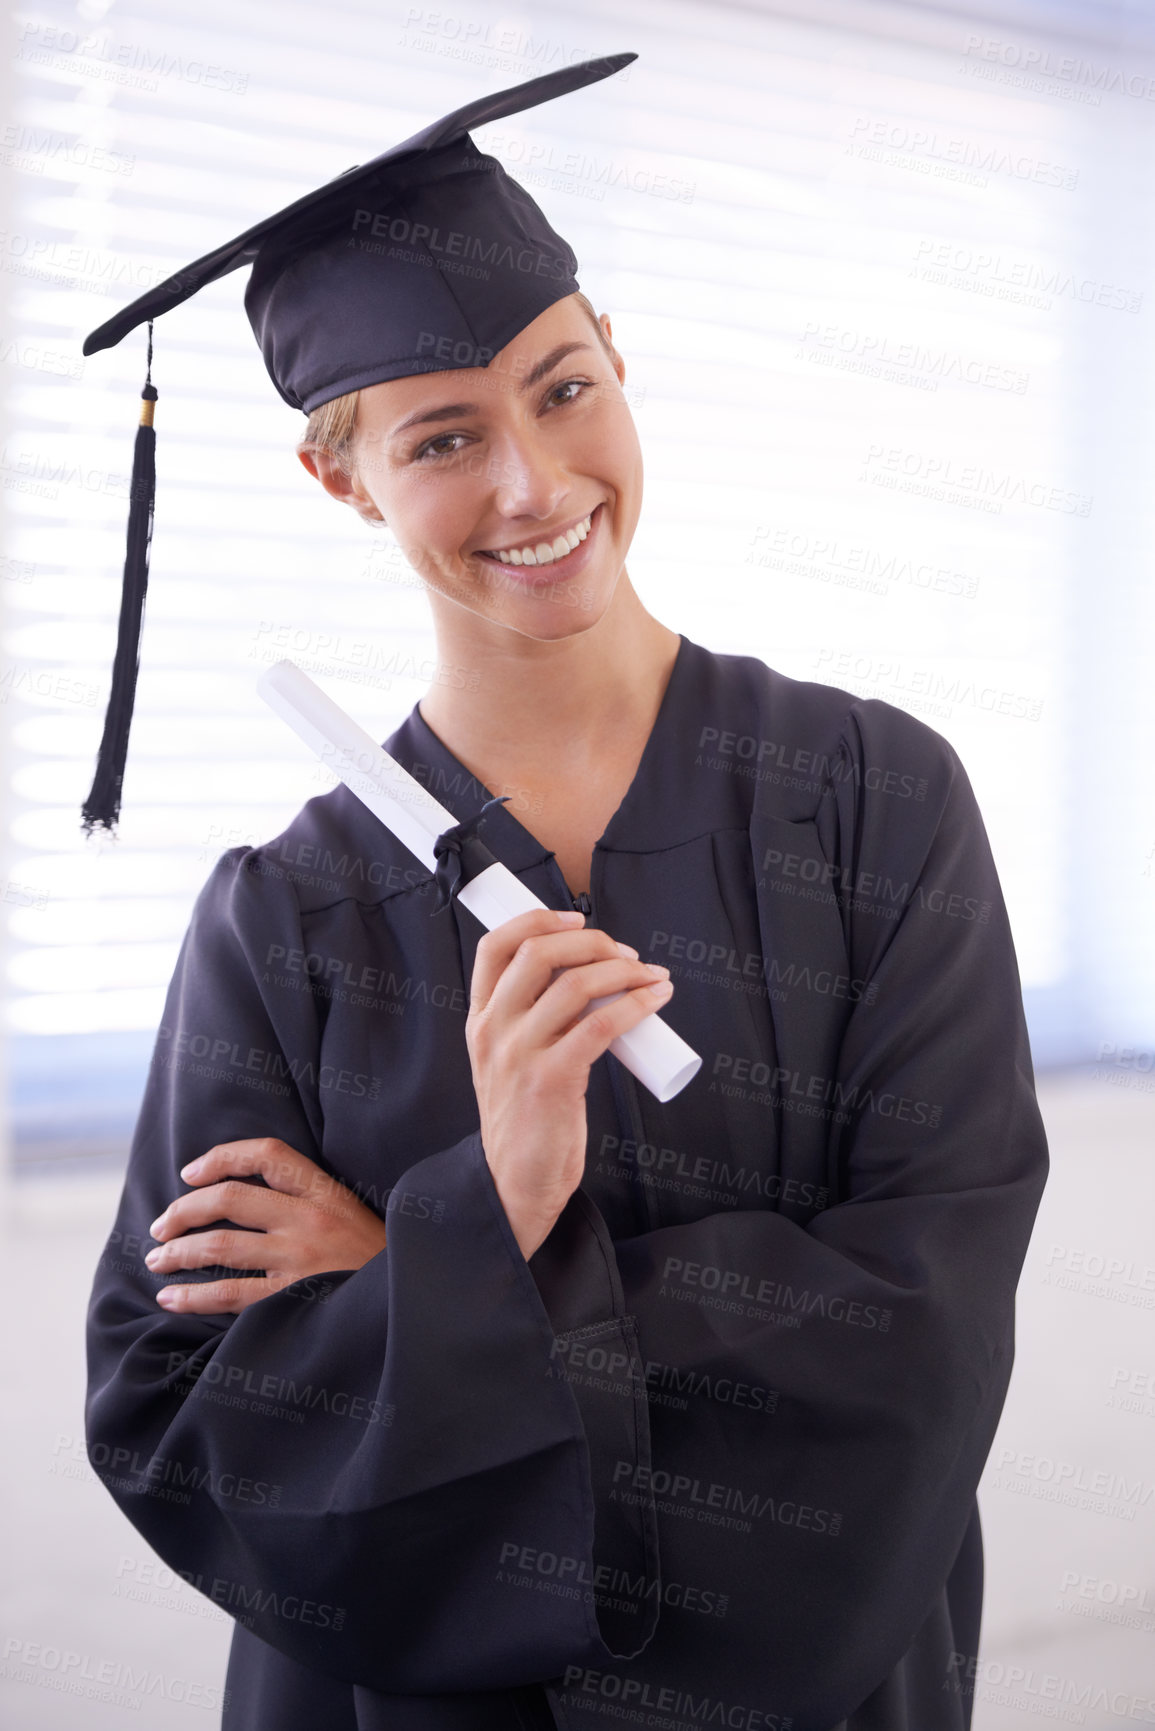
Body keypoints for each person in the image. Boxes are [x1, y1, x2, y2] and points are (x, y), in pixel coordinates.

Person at [84, 54, 1050, 1731]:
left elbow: (923, 1327)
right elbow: (178, 1408)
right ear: (344, 478)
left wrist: (436, 1264)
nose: (534, 486)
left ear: (620, 362)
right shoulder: (284, 920)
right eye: (445, 436)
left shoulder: (877, 806)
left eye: (562, 386)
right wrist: (500, 1208)